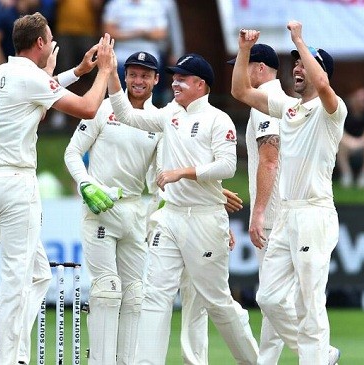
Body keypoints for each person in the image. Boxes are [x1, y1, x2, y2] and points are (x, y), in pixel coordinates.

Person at [0, 12, 114, 365]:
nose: (51, 43)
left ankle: (18, 353)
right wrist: (103, 72)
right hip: (14, 185)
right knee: (16, 280)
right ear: (41, 43)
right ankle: (7, 360)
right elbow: (87, 108)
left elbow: (36, 98)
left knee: (38, 274)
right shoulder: (29, 78)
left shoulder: (3, 73)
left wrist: (78, 71)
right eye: (49, 38)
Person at [107, 53, 259, 364]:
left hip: (205, 220)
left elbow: (228, 166)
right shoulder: (169, 113)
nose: (175, 82)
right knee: (155, 295)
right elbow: (126, 115)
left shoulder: (218, 119)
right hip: (171, 217)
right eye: (174, 77)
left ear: (200, 84)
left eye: (182, 78)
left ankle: (254, 360)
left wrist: (183, 172)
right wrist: (110, 72)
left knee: (216, 301)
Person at [231, 22, 345, 365]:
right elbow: (240, 92)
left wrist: (298, 40)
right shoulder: (288, 109)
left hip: (315, 212)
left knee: (310, 300)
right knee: (268, 298)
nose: (297, 66)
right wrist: (244, 51)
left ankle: (314, 358)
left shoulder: (332, 111)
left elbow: (323, 84)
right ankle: (321, 354)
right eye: (294, 62)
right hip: (287, 215)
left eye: (304, 62)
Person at [64, 51, 161, 364]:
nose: (138, 80)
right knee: (106, 291)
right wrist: (86, 185)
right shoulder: (103, 108)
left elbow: (159, 177)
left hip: (134, 211)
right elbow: (72, 153)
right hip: (100, 208)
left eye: (145, 75)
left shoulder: (158, 121)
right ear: (125, 76)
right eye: (132, 74)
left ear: (156, 80)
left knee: (135, 295)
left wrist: (156, 214)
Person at [227, 42, 290, 365]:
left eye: (243, 65)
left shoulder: (266, 103)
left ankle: (319, 350)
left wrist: (260, 210)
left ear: (260, 68)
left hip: (275, 214)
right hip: (289, 211)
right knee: (276, 295)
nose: (239, 72)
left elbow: (269, 159)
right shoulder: (286, 101)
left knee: (272, 296)